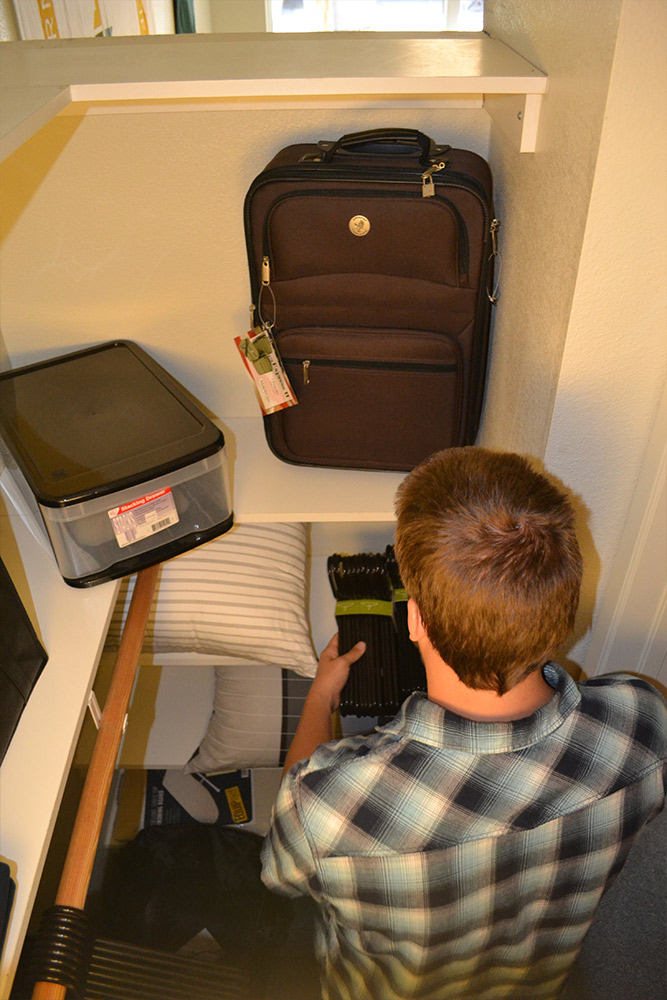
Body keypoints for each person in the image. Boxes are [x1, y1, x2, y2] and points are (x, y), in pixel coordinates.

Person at [261, 447, 667, 1000]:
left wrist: (318, 702)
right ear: (565, 609)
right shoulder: (643, 723)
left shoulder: (327, 805)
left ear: (414, 619)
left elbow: (278, 873)